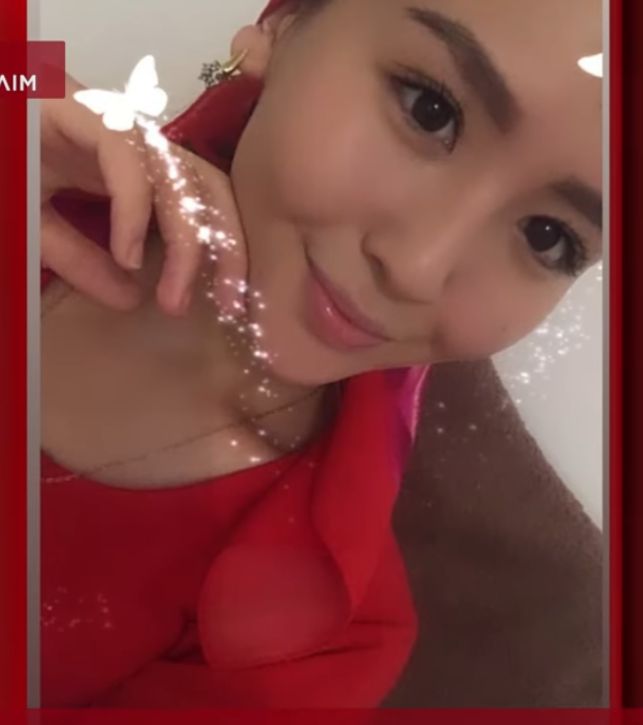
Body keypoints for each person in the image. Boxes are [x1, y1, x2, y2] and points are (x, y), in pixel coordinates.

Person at [40, 0, 603, 708]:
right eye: (429, 110)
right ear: (284, 21)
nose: (418, 267)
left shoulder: (313, 640)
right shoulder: (43, 143)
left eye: (549, 236)